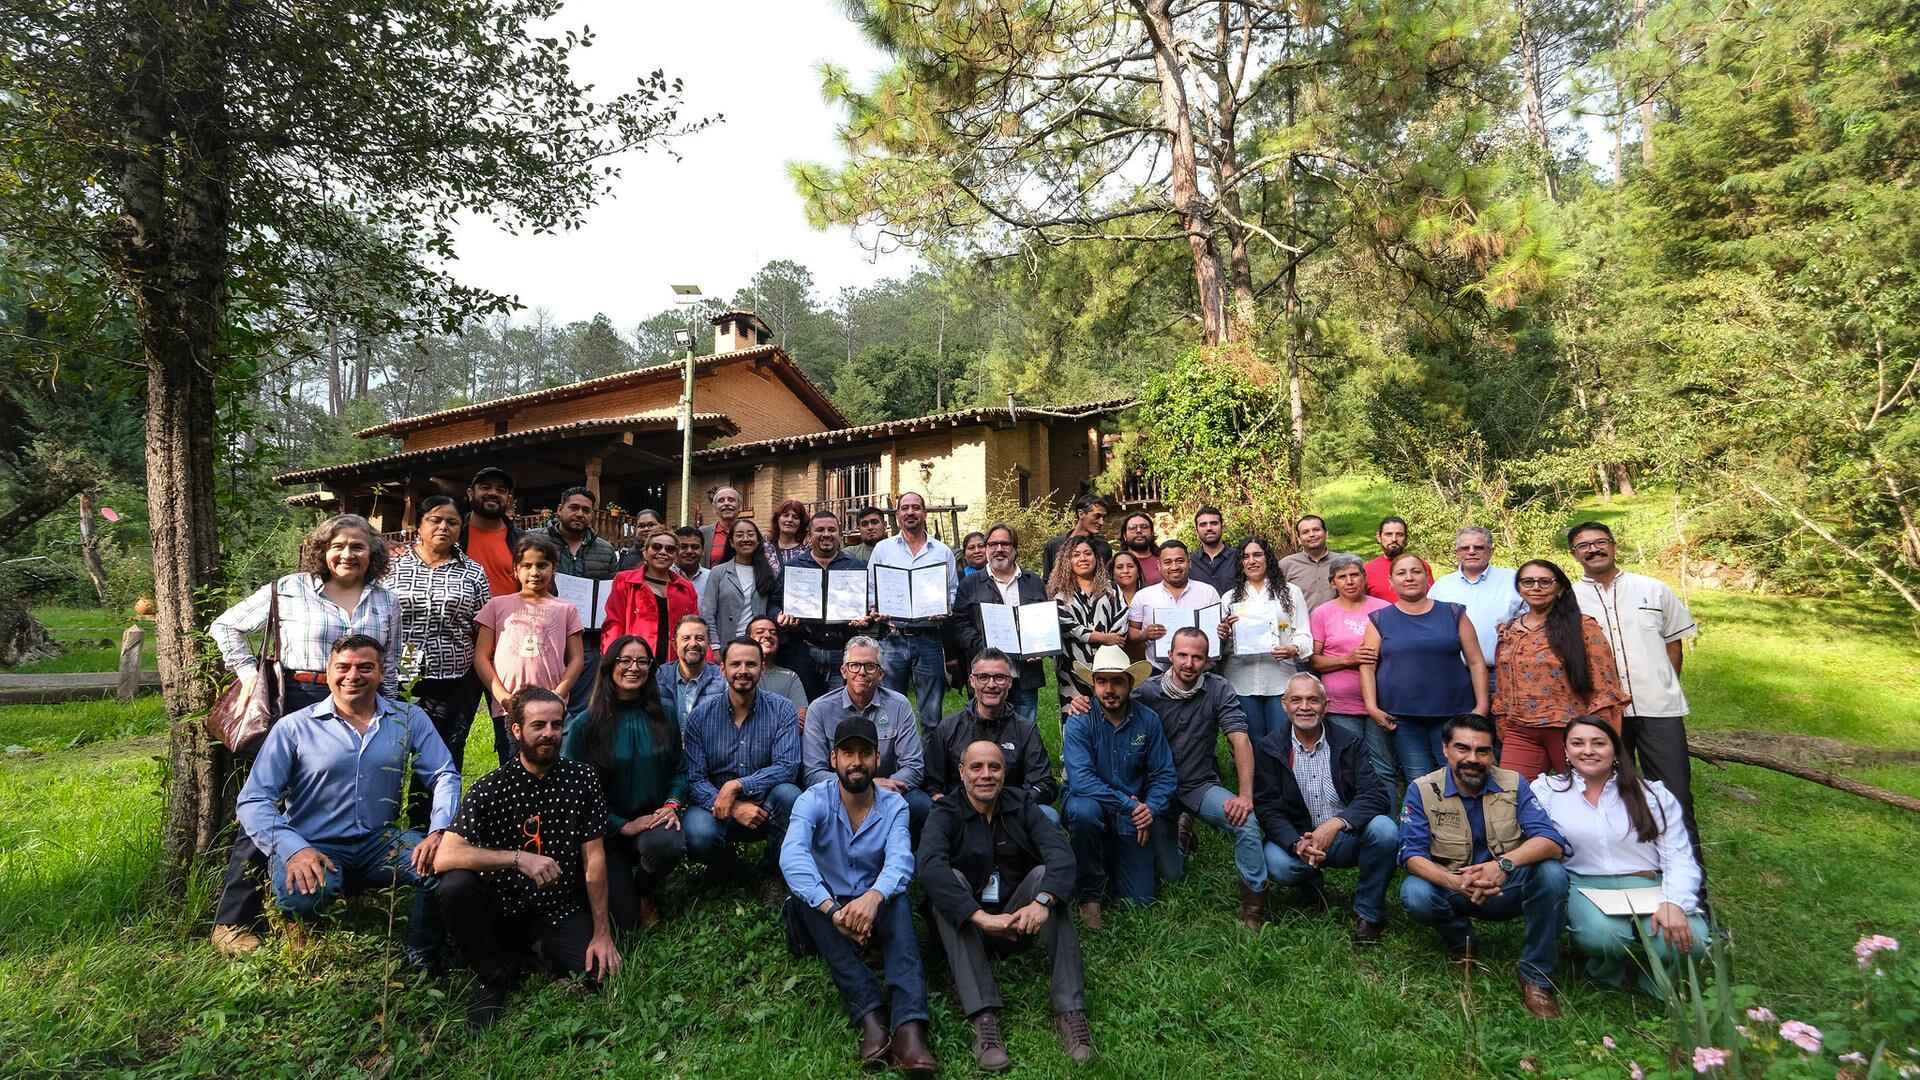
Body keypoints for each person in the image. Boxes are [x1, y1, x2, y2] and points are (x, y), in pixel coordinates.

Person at [208, 514, 403, 956]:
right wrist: (250, 676)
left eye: (357, 546)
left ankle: (323, 895)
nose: (347, 554)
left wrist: (386, 711)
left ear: (372, 552)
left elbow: (387, 663)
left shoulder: (386, 601)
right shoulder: (289, 588)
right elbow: (226, 626)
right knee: (269, 802)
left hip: (360, 703)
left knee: (342, 798)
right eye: (337, 546)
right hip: (297, 698)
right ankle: (233, 922)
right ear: (322, 549)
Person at [232, 635, 459, 963]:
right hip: (313, 842)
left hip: (381, 841)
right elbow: (254, 800)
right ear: (328, 671)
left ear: (382, 672)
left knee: (443, 868)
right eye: (344, 667)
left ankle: (421, 956)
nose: (353, 675)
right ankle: (301, 930)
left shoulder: (407, 719)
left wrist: (439, 832)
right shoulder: (294, 727)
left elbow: (444, 775)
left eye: (365, 667)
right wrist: (293, 849)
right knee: (303, 895)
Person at [434, 688, 622, 1030]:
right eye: (538, 725)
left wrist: (601, 933)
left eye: (556, 725)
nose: (549, 734)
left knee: (598, 974)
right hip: (500, 906)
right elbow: (445, 855)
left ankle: (526, 958)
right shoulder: (491, 787)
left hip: (555, 908)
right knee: (455, 886)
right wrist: (517, 858)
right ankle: (493, 976)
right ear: (516, 730)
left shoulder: (582, 779)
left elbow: (594, 860)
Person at [919, 740, 1096, 1071]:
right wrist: (981, 917)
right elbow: (930, 867)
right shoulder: (945, 812)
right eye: (976, 767)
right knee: (950, 880)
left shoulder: (1022, 804)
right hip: (969, 927)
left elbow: (1060, 854)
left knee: (1047, 877)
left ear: (1004, 772)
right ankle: (983, 1019)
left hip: (1018, 922)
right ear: (961, 772)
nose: (986, 775)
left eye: (994, 767)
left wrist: (1042, 902)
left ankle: (1072, 1012)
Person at [779, 716, 938, 1073]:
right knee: (805, 900)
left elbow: (900, 859)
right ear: (833, 759)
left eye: (864, 753)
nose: (856, 762)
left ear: (877, 760)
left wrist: (874, 896)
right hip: (823, 914)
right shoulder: (812, 800)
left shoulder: (894, 805)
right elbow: (792, 856)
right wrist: (833, 909)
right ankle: (870, 1010)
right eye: (847, 753)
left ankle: (909, 1024)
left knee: (896, 899)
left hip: (871, 910)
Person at [1398, 714, 1571, 1019]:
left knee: (1552, 874)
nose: (1472, 759)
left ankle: (1536, 976)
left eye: (1483, 751)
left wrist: (1503, 865)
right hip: (1455, 888)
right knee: (1415, 893)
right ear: (1446, 750)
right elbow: (1412, 855)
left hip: (1507, 887)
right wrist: (1456, 883)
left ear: (1494, 753)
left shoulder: (1514, 783)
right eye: (1462, 748)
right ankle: (1462, 940)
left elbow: (1551, 841)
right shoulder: (1422, 789)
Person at [1531, 716, 1706, 998]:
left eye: (1598, 743)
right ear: (1565, 750)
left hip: (1648, 883)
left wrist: (1673, 901)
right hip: (1584, 884)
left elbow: (1679, 857)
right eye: (1577, 743)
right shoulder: (1547, 792)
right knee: (1605, 936)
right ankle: (1607, 970)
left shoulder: (1652, 795)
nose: (1588, 750)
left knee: (1689, 939)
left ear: (1615, 749)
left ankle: (1658, 981)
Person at [1568, 521, 1703, 864]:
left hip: (1659, 709)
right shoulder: (1568, 599)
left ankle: (1691, 892)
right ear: (1574, 554)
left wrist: (1663, 684)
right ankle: (1632, 872)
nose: (1593, 549)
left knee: (1674, 796)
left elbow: (1673, 645)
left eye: (1600, 542)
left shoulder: (1654, 589)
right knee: (1611, 795)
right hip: (1602, 716)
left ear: (1613, 546)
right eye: (1584, 545)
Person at [1131, 628, 1269, 928]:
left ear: (1207, 660)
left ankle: (1255, 906)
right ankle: (1181, 834)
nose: (1189, 663)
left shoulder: (1218, 688)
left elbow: (1240, 738)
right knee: (1171, 875)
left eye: (1197, 657)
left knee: (1246, 822)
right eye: (1182, 655)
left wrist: (1245, 796)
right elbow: (1110, 706)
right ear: (1170, 656)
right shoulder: (1146, 692)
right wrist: (1083, 704)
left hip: (1200, 783)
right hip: (1159, 792)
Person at [1252, 673, 1399, 944]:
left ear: (1326, 705)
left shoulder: (1349, 742)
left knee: (1385, 830)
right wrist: (1296, 842)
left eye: (1313, 700)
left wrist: (1336, 824)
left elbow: (1376, 795)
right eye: (1296, 700)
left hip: (1344, 837)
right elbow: (1267, 807)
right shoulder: (1269, 747)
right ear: (1284, 704)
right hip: (1299, 840)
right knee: (1278, 865)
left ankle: (1368, 914)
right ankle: (1311, 884)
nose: (1304, 707)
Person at [561, 635, 687, 931]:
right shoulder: (585, 725)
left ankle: (645, 889)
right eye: (625, 660)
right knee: (624, 923)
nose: (634, 667)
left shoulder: (665, 716)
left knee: (668, 845)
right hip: (603, 835)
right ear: (609, 667)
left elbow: (680, 772)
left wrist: (671, 805)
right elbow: (574, 793)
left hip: (652, 825)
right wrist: (619, 824)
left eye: (643, 661)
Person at [385, 496, 491, 814]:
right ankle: (382, 831)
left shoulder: (473, 572)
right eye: (435, 519)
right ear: (419, 524)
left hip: (452, 679)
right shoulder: (391, 566)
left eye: (452, 521)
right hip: (396, 679)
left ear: (461, 528)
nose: (443, 526)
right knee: (389, 755)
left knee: (439, 755)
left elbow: (485, 624)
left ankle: (428, 833)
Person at [1062, 645, 1177, 928]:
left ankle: (1115, 860)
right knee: (1084, 811)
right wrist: (1130, 805)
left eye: (1117, 682)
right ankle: (1090, 894)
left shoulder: (1147, 720)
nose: (1109, 689)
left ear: (1130, 684)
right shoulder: (1079, 720)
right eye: (1102, 681)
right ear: (1093, 684)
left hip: (1133, 817)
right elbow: (1082, 781)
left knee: (1140, 902)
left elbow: (1164, 775)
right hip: (1095, 805)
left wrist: (1149, 809)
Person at [681, 638, 803, 904]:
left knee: (791, 796)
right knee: (699, 834)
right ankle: (722, 859)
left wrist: (738, 785)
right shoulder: (700, 717)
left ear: (762, 667)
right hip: (716, 805)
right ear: (722, 669)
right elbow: (696, 779)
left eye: (751, 663)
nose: (743, 670)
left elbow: (788, 766)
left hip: (765, 804)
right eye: (735, 664)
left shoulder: (782, 710)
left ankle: (769, 873)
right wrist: (733, 806)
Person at [1359, 551, 1489, 784]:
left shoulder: (1453, 613)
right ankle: (1425, 821)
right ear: (1391, 581)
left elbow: (1476, 661)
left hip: (1454, 714)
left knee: (1457, 775)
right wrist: (1371, 706)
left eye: (1416, 571)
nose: (1409, 577)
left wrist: (1481, 706)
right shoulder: (1378, 619)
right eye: (1401, 573)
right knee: (1420, 780)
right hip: (1402, 716)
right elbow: (1367, 667)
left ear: (1427, 578)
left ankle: (1464, 820)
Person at [1495, 560, 1629, 780]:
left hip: (1572, 732)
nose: (1535, 587)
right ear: (1519, 587)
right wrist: (1503, 724)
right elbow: (1503, 683)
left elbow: (1605, 684)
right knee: (1512, 797)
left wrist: (1599, 736)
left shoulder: (1583, 627)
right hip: (1520, 732)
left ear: (1560, 589)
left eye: (1545, 582)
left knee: (1584, 795)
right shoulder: (1509, 630)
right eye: (1528, 582)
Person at [474, 535, 585, 769]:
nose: (534, 572)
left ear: (554, 568)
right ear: (515, 570)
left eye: (542, 565)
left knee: (550, 763)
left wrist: (558, 694)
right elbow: (481, 657)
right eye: (526, 565)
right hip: (509, 706)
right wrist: (504, 698)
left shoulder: (566, 609)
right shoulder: (496, 605)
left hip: (551, 704)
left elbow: (576, 659)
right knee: (512, 764)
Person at [804, 637, 931, 838]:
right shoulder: (820, 709)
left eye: (870, 666)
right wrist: (861, 788)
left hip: (889, 792)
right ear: (844, 671)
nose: (861, 672)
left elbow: (914, 767)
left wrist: (879, 791)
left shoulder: (899, 705)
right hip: (837, 793)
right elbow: (813, 773)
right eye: (854, 666)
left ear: (881, 673)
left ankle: (901, 854)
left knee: (922, 805)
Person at [924, 649, 1061, 824]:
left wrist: (1013, 803)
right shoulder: (949, 727)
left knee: (1049, 815)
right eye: (983, 677)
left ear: (1010, 682)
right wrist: (948, 805)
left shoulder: (1025, 729)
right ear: (972, 681)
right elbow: (930, 782)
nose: (991, 684)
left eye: (999, 677)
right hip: (959, 813)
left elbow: (1046, 784)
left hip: (1010, 811)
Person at [1309, 554, 1399, 795]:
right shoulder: (1322, 613)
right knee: (1347, 767)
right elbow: (1314, 660)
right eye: (1342, 577)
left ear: (1364, 577)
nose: (1349, 581)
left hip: (1379, 704)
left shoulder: (1384, 610)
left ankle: (1389, 824)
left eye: (1354, 575)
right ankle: (1352, 824)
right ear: (1333, 583)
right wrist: (1347, 659)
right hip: (1340, 705)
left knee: (1383, 767)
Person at [869, 491, 957, 736]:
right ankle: (892, 768)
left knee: (932, 715)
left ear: (924, 513)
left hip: (928, 638)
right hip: (892, 637)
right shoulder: (883, 549)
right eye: (905, 508)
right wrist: (876, 609)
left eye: (916, 507)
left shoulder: (942, 552)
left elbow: (952, 592)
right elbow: (870, 590)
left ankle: (931, 772)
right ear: (897, 515)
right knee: (887, 710)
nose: (910, 512)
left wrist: (945, 609)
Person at [1218, 536, 1315, 743]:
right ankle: (1253, 777)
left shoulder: (1290, 592)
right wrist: (1224, 633)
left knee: (1281, 740)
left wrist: (1294, 648)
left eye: (1257, 555)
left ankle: (1282, 777)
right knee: (1250, 741)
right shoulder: (1229, 598)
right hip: (1240, 679)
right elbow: (1221, 646)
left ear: (1268, 558)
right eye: (1245, 557)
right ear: (1240, 562)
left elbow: (1305, 635)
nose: (1251, 561)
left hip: (1281, 677)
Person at [773, 509, 872, 701]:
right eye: (820, 530)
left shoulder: (855, 567)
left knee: (841, 708)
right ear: (810, 535)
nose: (826, 534)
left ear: (839, 534)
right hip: (803, 651)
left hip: (843, 651)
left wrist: (867, 620)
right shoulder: (794, 567)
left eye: (831, 530)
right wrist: (778, 616)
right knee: (805, 709)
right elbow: (774, 603)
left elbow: (868, 608)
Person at [953, 522, 1049, 720]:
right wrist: (984, 649)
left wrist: (1039, 649)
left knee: (1024, 730)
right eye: (993, 544)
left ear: (1015, 549)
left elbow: (1044, 622)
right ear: (987, 547)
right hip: (986, 676)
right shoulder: (970, 584)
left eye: (1005, 544)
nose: (999, 549)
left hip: (1024, 674)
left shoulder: (1033, 581)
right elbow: (960, 624)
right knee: (984, 731)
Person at [540, 486, 618, 719]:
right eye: (574, 508)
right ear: (560, 509)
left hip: (586, 640)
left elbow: (612, 594)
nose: (580, 514)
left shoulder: (605, 550)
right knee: (544, 703)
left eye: (586, 510)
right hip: (545, 637)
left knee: (580, 710)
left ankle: (571, 753)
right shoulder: (536, 541)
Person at [601, 525, 701, 676]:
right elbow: (614, 623)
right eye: (656, 547)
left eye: (670, 549)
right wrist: (612, 661)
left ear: (675, 555)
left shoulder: (686, 588)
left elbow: (695, 628)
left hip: (675, 668)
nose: (663, 552)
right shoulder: (625, 581)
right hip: (634, 665)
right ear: (645, 552)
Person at [1428, 526, 1523, 677]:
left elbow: (1534, 621)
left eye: (1478, 547)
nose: (1471, 552)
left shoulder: (1512, 580)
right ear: (1457, 553)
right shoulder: (1442, 586)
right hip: (1453, 675)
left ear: (1491, 551)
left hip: (1503, 674)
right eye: (1465, 548)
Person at [1047, 534, 1128, 706]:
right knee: (1076, 717)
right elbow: (1067, 626)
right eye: (1075, 555)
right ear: (1066, 561)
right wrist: (1103, 638)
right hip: (1073, 671)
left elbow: (1122, 618)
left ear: (1096, 558)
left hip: (1109, 668)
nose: (1082, 558)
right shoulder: (1059, 595)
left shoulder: (1112, 589)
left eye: (1087, 553)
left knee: (1110, 718)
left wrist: (1110, 643)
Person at [1127, 538, 1222, 673]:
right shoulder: (1143, 596)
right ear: (1159, 566)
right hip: (1158, 672)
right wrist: (1144, 634)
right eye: (1167, 562)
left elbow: (1219, 629)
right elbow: (1131, 632)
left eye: (1180, 561)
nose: (1174, 567)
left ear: (1189, 563)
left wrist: (1222, 632)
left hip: (1202, 672)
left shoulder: (1208, 592)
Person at [702, 517, 779, 644]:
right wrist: (714, 645)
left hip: (758, 645)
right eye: (739, 535)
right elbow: (708, 613)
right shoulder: (718, 572)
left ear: (758, 541)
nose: (745, 539)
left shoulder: (769, 573)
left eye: (750, 534)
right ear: (732, 542)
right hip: (725, 644)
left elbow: (773, 607)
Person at [459, 466, 524, 597]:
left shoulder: (522, 541)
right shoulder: (455, 535)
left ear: (508, 500)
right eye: (485, 487)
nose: (493, 493)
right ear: (470, 494)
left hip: (512, 616)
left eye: (501, 490)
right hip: (464, 616)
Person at [1278, 514, 1352, 613]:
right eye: (1305, 532)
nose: (1312, 534)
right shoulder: (1286, 565)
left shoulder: (1343, 562)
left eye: (1316, 530)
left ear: (1326, 533)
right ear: (1299, 538)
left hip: (1339, 624)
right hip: (1303, 625)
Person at [656, 613, 723, 722]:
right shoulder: (658, 677)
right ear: (674, 644)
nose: (693, 643)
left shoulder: (722, 680)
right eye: (686, 638)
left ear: (709, 643)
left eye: (699, 638)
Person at [747, 616, 809, 723]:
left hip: (784, 738)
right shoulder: (739, 672)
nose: (768, 635)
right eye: (760, 632)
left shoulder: (790, 676)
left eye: (773, 632)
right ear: (748, 639)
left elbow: (801, 720)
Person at [1043, 494, 1113, 580]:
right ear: (1081, 514)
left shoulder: (1104, 548)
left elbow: (1108, 581)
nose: (1101, 522)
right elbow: (1047, 581)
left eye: (1103, 517)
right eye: (1097, 517)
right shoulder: (1054, 545)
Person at [1363, 516, 1431, 603]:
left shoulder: (1420, 566)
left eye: (1399, 535)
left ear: (1406, 538)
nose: (1394, 539)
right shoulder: (1367, 570)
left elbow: (1431, 598)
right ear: (1379, 537)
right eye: (1388, 534)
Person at [1109, 550, 1149, 664]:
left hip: (1147, 660)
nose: (1125, 571)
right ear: (1112, 573)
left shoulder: (1149, 597)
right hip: (1116, 660)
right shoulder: (1106, 601)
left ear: (1138, 571)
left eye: (1130, 566)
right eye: (1120, 567)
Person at [1188, 506, 1239, 595]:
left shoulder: (1238, 558)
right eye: (1203, 524)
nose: (1209, 528)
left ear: (1223, 528)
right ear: (1196, 531)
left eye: (1214, 523)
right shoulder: (1190, 563)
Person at [698, 486, 744, 568]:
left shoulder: (750, 533)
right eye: (721, 501)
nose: (726, 503)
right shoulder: (704, 533)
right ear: (714, 508)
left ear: (740, 506)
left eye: (731, 500)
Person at [767, 498, 811, 577]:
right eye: (785, 515)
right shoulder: (767, 549)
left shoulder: (807, 550)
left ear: (801, 523)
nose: (790, 520)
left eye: (795, 517)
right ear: (778, 518)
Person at [1117, 511, 1162, 585]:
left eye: (1144, 527)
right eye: (1132, 528)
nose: (1139, 531)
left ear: (1152, 533)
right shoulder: (1115, 564)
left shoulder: (1163, 561)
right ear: (1124, 536)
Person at [674, 526, 712, 603]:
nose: (689, 551)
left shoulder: (712, 578)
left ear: (703, 551)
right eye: (683, 547)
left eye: (695, 547)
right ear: (674, 549)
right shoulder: (664, 576)